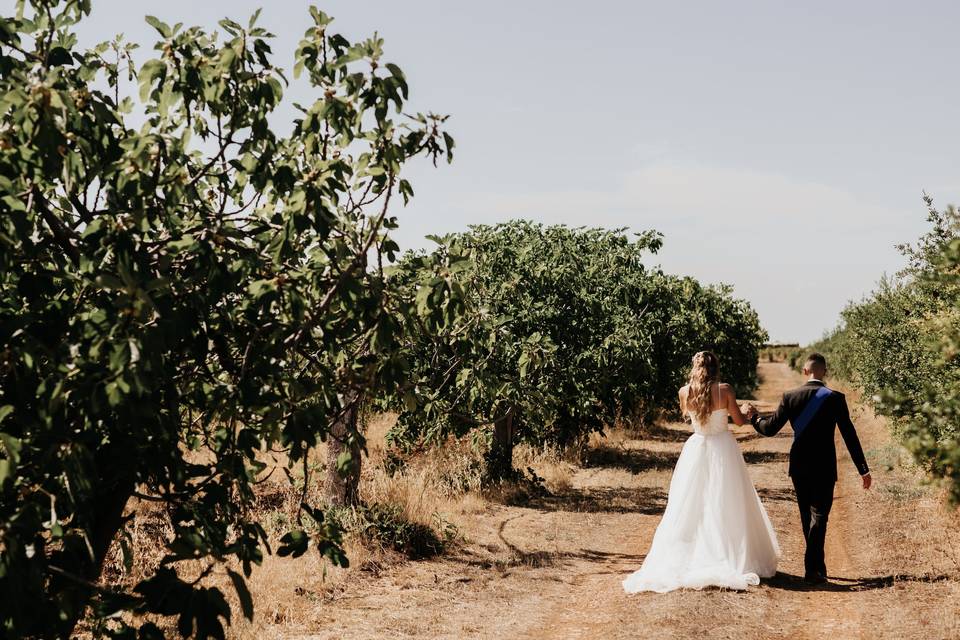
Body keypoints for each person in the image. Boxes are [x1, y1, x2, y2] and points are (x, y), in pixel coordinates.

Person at [622, 351, 779, 593]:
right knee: (726, 500)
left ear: (694, 368)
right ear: (716, 368)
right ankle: (727, 553)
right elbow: (737, 422)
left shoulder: (684, 392)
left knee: (690, 503)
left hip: (697, 446)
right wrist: (748, 410)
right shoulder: (725, 390)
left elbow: (691, 417)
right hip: (723, 448)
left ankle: (692, 553)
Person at [744, 352, 871, 584]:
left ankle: (815, 567)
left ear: (805, 371)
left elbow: (770, 429)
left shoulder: (790, 397)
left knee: (807, 515)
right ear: (825, 371)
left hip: (800, 465)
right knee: (820, 516)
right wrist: (863, 468)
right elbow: (850, 435)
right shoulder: (835, 398)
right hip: (824, 465)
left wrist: (754, 418)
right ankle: (813, 568)